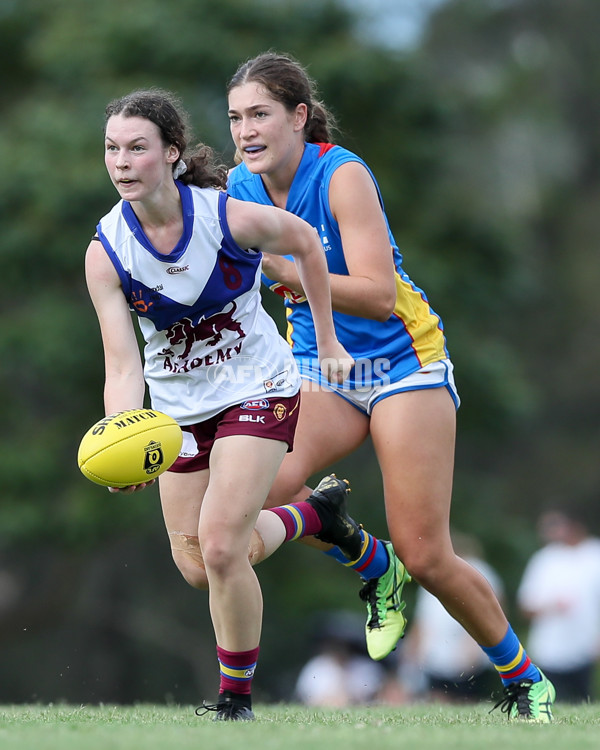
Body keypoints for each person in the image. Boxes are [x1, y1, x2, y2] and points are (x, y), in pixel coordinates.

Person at [225, 51, 556, 722]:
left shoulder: (342, 174)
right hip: (323, 370)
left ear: (298, 116)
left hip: (404, 367)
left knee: (428, 553)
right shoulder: (239, 184)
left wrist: (283, 269)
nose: (246, 130)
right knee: (260, 493)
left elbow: (377, 297)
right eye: (235, 118)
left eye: (260, 113)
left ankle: (527, 682)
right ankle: (367, 559)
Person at [85, 88, 367, 721]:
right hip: (178, 413)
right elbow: (123, 363)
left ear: (173, 155)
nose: (122, 162)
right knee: (196, 566)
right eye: (112, 149)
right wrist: (121, 434)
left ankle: (234, 701)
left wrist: (326, 341)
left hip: (258, 390)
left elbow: (307, 245)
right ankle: (314, 517)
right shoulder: (106, 252)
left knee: (220, 547)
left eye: (137, 148)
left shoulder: (226, 217)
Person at [399, 531, 504, 704]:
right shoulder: (431, 573)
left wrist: (475, 647)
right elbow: (424, 618)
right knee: (438, 697)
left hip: (465, 651)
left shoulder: (478, 571)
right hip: (435, 653)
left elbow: (492, 610)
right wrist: (412, 647)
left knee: (466, 698)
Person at [517, 507, 600, 703]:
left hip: (585, 648)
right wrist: (551, 607)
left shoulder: (594, 554)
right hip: (549, 650)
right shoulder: (543, 559)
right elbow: (526, 607)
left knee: (584, 699)